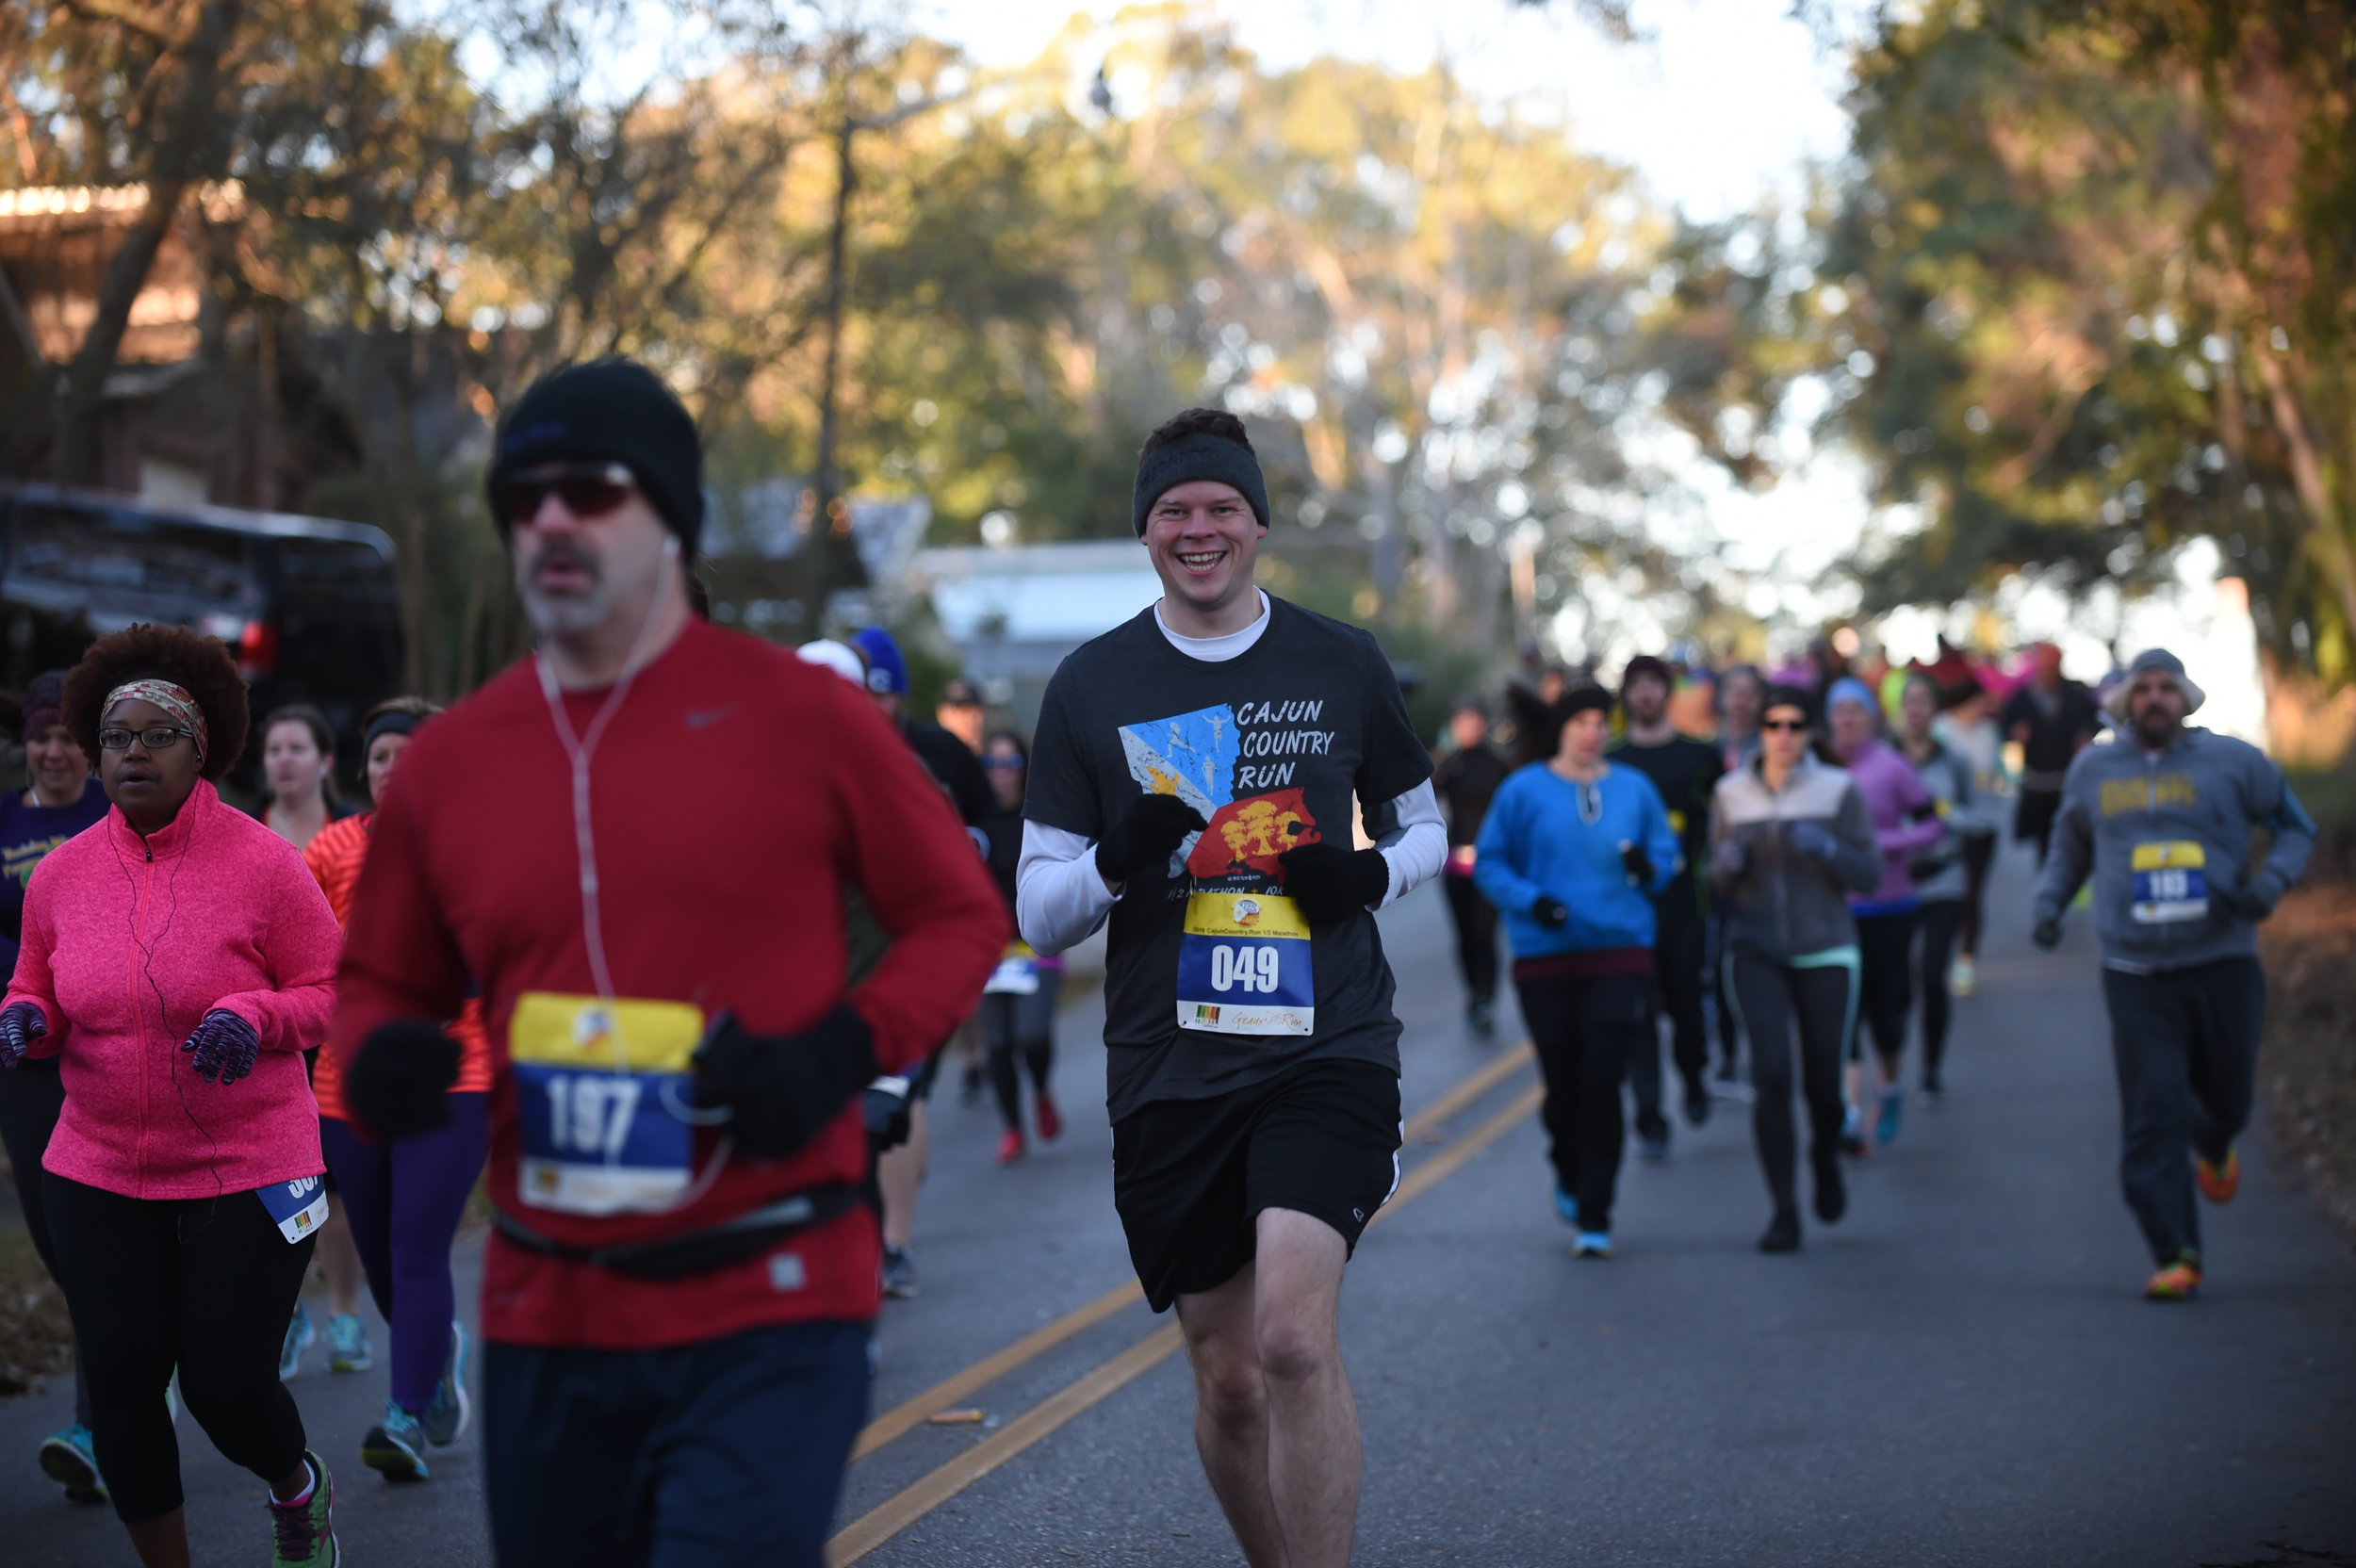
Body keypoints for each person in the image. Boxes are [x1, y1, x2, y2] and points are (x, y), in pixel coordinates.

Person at [325, 357, 1005, 1566]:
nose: (548, 518)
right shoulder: (452, 761)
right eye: (521, 496)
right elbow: (387, 975)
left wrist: (840, 1051)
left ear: (674, 521)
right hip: (550, 1300)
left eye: (589, 490)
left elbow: (958, 916)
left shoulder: (807, 720)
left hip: (771, 1286)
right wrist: (380, 1048)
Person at [1017, 407, 1445, 1568]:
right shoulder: (1091, 682)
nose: (1198, 529)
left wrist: (1362, 873)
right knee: (1231, 1376)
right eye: (1174, 512)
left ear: (1256, 522)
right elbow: (1035, 909)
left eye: (1219, 508)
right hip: (1169, 1060)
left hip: (1326, 1041)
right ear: (1147, 533)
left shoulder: (1339, 658)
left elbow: (1425, 830)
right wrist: (1112, 860)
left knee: (1293, 1339)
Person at [2, 624, 343, 1566]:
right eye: (117, 736)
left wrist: (256, 1015)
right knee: (119, 1385)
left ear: (204, 749)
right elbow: (37, 981)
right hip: (100, 1165)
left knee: (227, 1386)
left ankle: (296, 1485)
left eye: (158, 734)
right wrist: (26, 1015)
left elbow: (332, 989)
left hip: (247, 1164)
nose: (132, 752)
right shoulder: (61, 875)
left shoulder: (265, 863)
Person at [2032, 649, 2314, 1300]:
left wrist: (2269, 885)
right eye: (2143, 689)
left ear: (2186, 698)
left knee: (2230, 1098)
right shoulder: (2094, 767)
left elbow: (2296, 828)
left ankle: (2215, 1143)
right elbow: (2069, 844)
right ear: (2123, 701)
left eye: (2166, 688)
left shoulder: (2235, 762)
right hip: (2135, 968)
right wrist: (2048, 906)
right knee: (2153, 1109)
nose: (2154, 699)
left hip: (2223, 959)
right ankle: (2175, 1252)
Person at [303, 698, 491, 1482]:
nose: (392, 770)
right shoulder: (332, 849)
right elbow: (292, 953)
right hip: (346, 1086)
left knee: (417, 1244)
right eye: (380, 757)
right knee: (381, 1259)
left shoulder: (479, 849)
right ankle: (436, 1349)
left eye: (410, 756)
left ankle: (404, 1414)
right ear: (364, 770)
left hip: (457, 1076)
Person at [1475, 684, 1680, 1255]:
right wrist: (1533, 901)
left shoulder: (1634, 789)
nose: (1592, 731)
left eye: (1600, 721)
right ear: (1562, 728)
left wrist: (1649, 865)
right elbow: (1490, 862)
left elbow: (1666, 862)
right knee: (1563, 1087)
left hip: (1621, 952)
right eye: (1581, 721)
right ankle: (1567, 1166)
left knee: (1602, 1079)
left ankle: (1597, 1212)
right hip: (1546, 957)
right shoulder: (1523, 791)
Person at [845, 624, 993, 1298]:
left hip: (913, 958)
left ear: (900, 696)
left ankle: (893, 1242)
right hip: (829, 969)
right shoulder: (799, 751)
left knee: (900, 1095)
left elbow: (998, 821)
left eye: (880, 695)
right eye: (854, 693)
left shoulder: (934, 755)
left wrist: (972, 847)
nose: (868, 707)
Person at [1708, 685, 1882, 1252]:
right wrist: (1727, 866)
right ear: (1759, 732)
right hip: (1755, 951)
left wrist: (1828, 849)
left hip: (1826, 948)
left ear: (1810, 733)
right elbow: (1714, 878)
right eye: (1774, 725)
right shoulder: (1730, 794)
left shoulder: (1838, 790)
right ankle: (1784, 1210)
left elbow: (1869, 874)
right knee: (1773, 1076)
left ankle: (1825, 1162)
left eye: (1796, 726)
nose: (1785, 736)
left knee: (1824, 1087)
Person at [0, 670, 111, 1503]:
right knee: (60, 1246)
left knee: (95, 1243)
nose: (54, 751)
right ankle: (131, 1380)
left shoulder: (119, 809)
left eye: (69, 737)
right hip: (26, 1065)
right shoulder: (5, 823)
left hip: (108, 1057)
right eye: (42, 736)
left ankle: (100, 1422)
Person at [257, 703, 372, 1380]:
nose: (284, 760)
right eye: (273, 749)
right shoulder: (244, 831)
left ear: (326, 761)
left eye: (297, 747)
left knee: (336, 1180)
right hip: (269, 1025)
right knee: (274, 1178)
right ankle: (289, 1307)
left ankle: (347, 1314)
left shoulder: (350, 830)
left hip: (343, 1019)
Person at [1609, 655, 1725, 1145]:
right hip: (1628, 907)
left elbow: (1724, 819)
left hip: (1686, 904)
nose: (1646, 694)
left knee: (1685, 1007)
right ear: (1627, 695)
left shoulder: (1701, 756)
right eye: (1637, 685)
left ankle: (1695, 1077)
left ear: (1668, 692)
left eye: (1655, 684)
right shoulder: (1611, 762)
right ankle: (1650, 1116)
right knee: (1636, 1012)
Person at [1824, 678, 1943, 1152]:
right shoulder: (1818, 770)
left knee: (1886, 1014)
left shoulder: (1893, 767)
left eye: (1857, 710)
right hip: (1835, 910)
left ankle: (1889, 1088)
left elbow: (1933, 824)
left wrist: (1886, 847)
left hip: (1891, 905)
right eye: (1840, 712)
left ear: (1872, 717)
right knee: (1845, 1013)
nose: (1848, 720)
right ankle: (1851, 1115)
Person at [976, 730, 1066, 1165]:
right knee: (997, 1045)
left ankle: (1042, 1091)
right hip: (986, 955)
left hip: (1036, 947)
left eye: (1010, 764)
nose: (1001, 774)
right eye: (991, 764)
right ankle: (1013, 1128)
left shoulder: (1038, 816)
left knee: (1031, 1037)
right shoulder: (973, 819)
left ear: (1024, 768)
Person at [1895, 674, 1981, 1097]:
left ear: (1936, 710)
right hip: (1894, 883)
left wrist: (1941, 816)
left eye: (1924, 702)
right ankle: (1892, 1060)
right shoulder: (1885, 760)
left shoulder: (1954, 762)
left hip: (1943, 879)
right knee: (1896, 982)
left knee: (1932, 974)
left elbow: (1979, 817)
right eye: (1908, 702)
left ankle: (1930, 1067)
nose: (1915, 710)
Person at [1431, 697, 1511, 1036]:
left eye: (1474, 721)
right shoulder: (1449, 764)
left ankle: (1486, 998)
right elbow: (1422, 794)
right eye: (1462, 722)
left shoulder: (1499, 764)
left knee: (1485, 932)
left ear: (1484, 724)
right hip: (1456, 860)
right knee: (1464, 934)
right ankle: (1473, 994)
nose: (1469, 728)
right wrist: (1439, 761)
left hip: (1491, 860)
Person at [1707, 663, 1766, 1090]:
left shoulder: (1774, 747)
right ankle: (1727, 1052)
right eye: (1733, 691)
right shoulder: (1707, 750)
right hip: (1719, 876)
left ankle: (1764, 1049)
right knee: (1721, 961)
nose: (1740, 701)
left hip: (1767, 876)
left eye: (1749, 693)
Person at [1937, 679, 2006, 995]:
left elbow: (2002, 773)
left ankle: (1965, 959)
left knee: (1972, 894)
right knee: (1945, 895)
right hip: (1945, 828)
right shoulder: (1940, 730)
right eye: (1981, 701)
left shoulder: (1989, 733)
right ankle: (1937, 956)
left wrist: (1997, 789)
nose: (1985, 708)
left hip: (1983, 826)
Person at [2000, 642, 2099, 865]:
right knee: (2043, 843)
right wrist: (2015, 734)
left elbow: (2095, 720)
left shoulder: (2076, 694)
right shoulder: (2022, 697)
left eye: (2052, 663)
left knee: (2072, 838)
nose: (2048, 668)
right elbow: (2005, 725)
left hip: (2068, 781)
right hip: (2036, 782)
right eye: (2043, 663)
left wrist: (2085, 735)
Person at [937, 677, 987, 754]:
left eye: (976, 711)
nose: (969, 720)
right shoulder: (929, 761)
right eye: (963, 712)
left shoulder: (997, 761)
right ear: (942, 714)